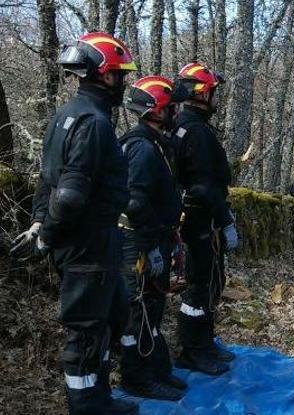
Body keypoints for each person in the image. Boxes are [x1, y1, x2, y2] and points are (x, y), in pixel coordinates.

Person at [12, 32, 138, 414]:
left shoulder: (65, 116)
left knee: (106, 322)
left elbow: (46, 181)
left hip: (94, 245)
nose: (124, 83)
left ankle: (100, 401)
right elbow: (67, 195)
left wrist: (37, 224)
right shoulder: (94, 124)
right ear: (101, 75)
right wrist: (46, 236)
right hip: (88, 246)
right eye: (119, 75)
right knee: (85, 334)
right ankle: (87, 407)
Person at [118, 76, 189, 400]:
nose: (178, 112)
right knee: (140, 310)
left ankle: (156, 369)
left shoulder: (156, 143)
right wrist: (150, 247)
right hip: (138, 242)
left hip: (154, 237)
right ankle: (137, 378)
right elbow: (134, 203)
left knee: (154, 307)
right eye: (173, 107)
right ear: (159, 112)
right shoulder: (143, 148)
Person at [173, 62, 238, 375]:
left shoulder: (182, 124)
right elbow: (202, 185)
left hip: (195, 219)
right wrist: (224, 219)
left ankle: (204, 341)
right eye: (214, 93)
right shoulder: (195, 131)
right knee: (199, 285)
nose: (216, 99)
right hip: (199, 222)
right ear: (203, 94)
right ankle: (193, 349)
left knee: (207, 282)